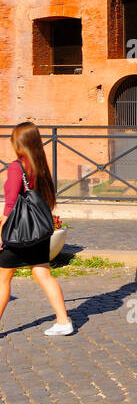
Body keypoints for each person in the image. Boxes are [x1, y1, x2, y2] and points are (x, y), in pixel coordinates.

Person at [0, 121, 74, 336]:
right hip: (38, 230)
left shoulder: (17, 167)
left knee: (3, 278)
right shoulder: (40, 166)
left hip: (17, 232)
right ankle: (63, 320)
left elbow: (10, 205)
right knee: (43, 274)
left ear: (20, 144)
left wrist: (1, 232)